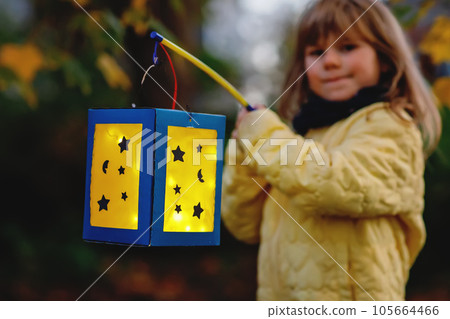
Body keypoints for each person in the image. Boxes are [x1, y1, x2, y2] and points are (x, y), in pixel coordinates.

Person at [221, 0, 441, 301]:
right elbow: (244, 224)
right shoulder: (299, 137)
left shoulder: (392, 126)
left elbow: (336, 184)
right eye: (317, 52)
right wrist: (245, 151)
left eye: (347, 47)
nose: (331, 62)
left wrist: (264, 139)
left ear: (385, 58)